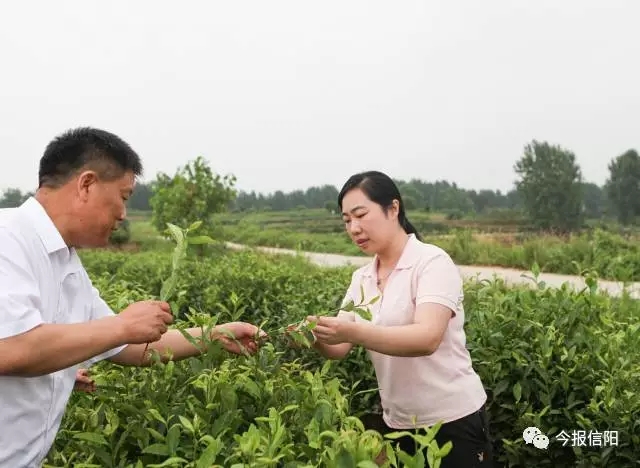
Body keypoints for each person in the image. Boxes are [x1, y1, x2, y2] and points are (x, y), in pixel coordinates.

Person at [0, 127, 264, 468]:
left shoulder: (67, 263)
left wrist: (215, 335)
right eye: (124, 196)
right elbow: (10, 348)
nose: (124, 214)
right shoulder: (8, 238)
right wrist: (122, 326)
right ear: (87, 184)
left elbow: (127, 347)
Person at [301, 171, 493, 467]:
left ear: (393, 208)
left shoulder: (431, 262)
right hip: (397, 423)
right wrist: (312, 336)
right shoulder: (362, 277)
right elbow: (338, 349)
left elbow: (426, 338)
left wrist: (351, 331)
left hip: (453, 420)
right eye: (346, 221)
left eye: (361, 215)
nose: (354, 228)